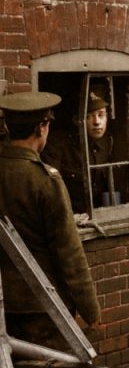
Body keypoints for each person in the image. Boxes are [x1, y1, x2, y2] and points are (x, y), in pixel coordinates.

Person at [0, 91, 101, 349]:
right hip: (43, 308)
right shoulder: (45, 180)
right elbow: (69, 253)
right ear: (41, 128)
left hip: (4, 308)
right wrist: (91, 311)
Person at [42, 86, 114, 213]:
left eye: (101, 115)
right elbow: (53, 192)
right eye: (89, 116)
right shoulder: (58, 145)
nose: (97, 122)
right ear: (76, 120)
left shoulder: (108, 141)